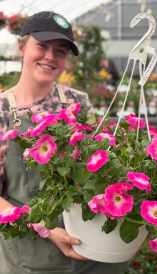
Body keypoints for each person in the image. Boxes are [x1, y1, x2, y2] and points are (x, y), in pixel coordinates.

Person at [0, 11, 130, 274]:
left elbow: (99, 169)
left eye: (60, 51)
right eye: (43, 46)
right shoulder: (3, 111)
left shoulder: (77, 102)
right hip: (30, 257)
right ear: (22, 47)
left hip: (90, 251)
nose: (50, 56)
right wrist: (48, 230)